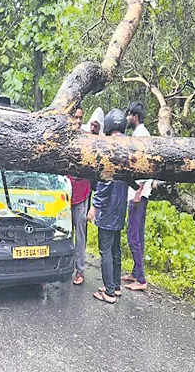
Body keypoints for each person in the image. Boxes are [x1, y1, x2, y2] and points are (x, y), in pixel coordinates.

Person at [89, 108, 129, 304]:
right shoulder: (130, 147)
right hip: (121, 206)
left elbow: (104, 182)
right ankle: (116, 286)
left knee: (105, 249)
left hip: (108, 207)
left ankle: (109, 293)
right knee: (115, 248)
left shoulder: (110, 148)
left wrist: (95, 207)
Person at [69, 107, 103, 285]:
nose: (78, 121)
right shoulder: (63, 137)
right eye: (75, 117)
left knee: (80, 235)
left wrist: (94, 203)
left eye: (80, 117)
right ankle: (61, 267)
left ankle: (79, 270)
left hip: (82, 193)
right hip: (64, 193)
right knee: (63, 234)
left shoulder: (87, 139)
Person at [124, 101, 152, 291]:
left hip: (138, 193)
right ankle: (135, 272)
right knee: (138, 234)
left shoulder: (141, 135)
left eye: (128, 115)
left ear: (135, 116)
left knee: (133, 234)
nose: (126, 118)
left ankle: (141, 279)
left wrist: (139, 190)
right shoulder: (141, 134)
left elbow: (143, 164)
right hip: (140, 191)